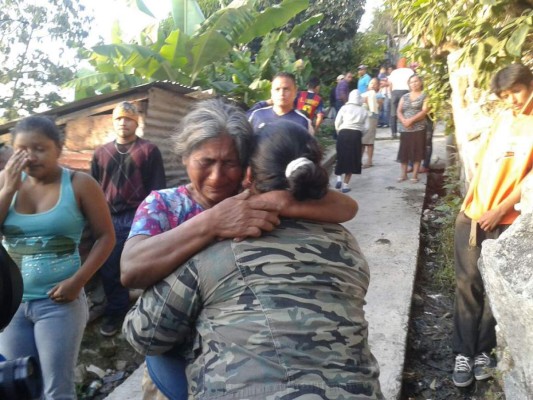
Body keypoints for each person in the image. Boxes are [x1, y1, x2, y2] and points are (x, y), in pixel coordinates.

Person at [124, 119, 384, 400]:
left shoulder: (229, 236)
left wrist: (281, 202)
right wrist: (209, 223)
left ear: (247, 171)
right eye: (206, 162)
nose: (216, 176)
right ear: (184, 157)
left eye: (230, 163)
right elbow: (130, 270)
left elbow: (143, 333)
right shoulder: (165, 205)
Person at [0, 116, 115, 399]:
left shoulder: (79, 184)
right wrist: (8, 190)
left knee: (56, 390)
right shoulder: (6, 182)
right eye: (22, 149)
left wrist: (78, 281)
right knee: (18, 387)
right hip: (11, 306)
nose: (30, 156)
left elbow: (106, 237)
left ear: (58, 148)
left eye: (40, 148)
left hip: (59, 304)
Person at [452, 63, 533, 388]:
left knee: (490, 288)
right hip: (472, 215)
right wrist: (475, 204)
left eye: (516, 91)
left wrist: (500, 209)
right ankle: (462, 353)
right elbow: (484, 162)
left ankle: (483, 352)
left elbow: (528, 179)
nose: (511, 99)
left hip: (508, 220)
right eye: (505, 94)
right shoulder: (502, 118)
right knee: (467, 284)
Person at [91, 101, 166, 337]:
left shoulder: (148, 150)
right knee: (109, 267)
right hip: (108, 217)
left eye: (128, 118)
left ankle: (151, 310)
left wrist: (154, 218)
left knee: (145, 263)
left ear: (137, 122)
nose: (123, 122)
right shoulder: (101, 153)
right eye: (119, 118)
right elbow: (93, 187)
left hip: (138, 216)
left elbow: (157, 187)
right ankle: (116, 311)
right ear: (113, 122)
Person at [247, 72, 314, 134]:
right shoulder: (257, 116)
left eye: (286, 89)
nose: (281, 93)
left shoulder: (303, 122)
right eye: (277, 89)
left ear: (295, 91)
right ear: (271, 92)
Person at [334, 90, 369, 193]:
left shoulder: (344, 108)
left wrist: (339, 131)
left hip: (343, 133)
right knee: (352, 159)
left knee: (341, 156)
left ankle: (338, 178)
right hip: (356, 135)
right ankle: (345, 185)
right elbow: (367, 127)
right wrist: (360, 133)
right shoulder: (363, 111)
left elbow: (337, 122)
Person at [396, 75, 429, 183]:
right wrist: (404, 120)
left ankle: (415, 175)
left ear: (420, 82)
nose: (414, 84)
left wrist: (411, 120)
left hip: (418, 128)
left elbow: (424, 112)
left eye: (416, 81)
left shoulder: (425, 95)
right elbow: (399, 110)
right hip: (405, 128)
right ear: (409, 84)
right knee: (404, 152)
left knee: (417, 152)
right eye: (411, 82)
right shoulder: (404, 96)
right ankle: (403, 174)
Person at [388, 58, 414, 139]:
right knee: (406, 111)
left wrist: (391, 94)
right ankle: (405, 130)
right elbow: (411, 82)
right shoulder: (410, 71)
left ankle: (393, 133)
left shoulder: (394, 72)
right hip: (405, 92)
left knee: (393, 113)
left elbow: (390, 84)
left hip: (395, 92)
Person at [362, 78, 380, 168]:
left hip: (372, 118)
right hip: (364, 118)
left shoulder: (377, 95)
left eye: (375, 84)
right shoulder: (365, 94)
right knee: (362, 141)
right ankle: (359, 160)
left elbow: (377, 106)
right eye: (371, 83)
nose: (372, 85)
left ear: (378, 86)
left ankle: (369, 161)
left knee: (369, 141)